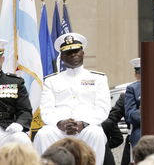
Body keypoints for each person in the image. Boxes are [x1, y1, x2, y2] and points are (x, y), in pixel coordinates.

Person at [33, 33, 111, 165]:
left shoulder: (99, 78)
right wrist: (60, 123)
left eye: (76, 51)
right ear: (62, 57)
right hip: (59, 129)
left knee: (96, 132)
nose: (73, 55)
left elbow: (103, 108)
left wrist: (83, 123)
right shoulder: (51, 81)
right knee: (43, 134)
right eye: (69, 52)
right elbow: (46, 110)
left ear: (83, 53)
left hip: (86, 127)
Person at [0, 39, 32, 146]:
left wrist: (19, 124)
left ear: (2, 59)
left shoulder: (14, 82)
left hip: (6, 130)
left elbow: (25, 110)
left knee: (21, 138)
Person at [125, 57, 142, 151]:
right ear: (136, 74)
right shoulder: (132, 89)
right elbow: (129, 116)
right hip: (140, 129)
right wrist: (142, 113)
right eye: (140, 72)